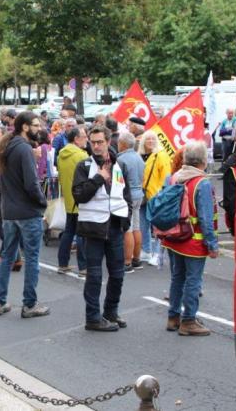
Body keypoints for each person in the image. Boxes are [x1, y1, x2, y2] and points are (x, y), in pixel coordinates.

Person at [72, 126, 130, 332]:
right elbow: (79, 195)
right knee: (94, 276)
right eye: (92, 142)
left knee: (117, 274)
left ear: (108, 142)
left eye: (99, 142)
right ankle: (93, 318)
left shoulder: (118, 164)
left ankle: (111, 312)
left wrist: (126, 220)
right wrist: (98, 178)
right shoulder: (83, 166)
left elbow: (125, 194)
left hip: (114, 225)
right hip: (92, 228)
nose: (95, 146)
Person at [0, 111, 49, 318]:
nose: (39, 129)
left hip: (10, 211)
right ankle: (29, 304)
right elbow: (31, 183)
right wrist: (43, 203)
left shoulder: (7, 146)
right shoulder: (23, 149)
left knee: (8, 256)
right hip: (26, 211)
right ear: (25, 127)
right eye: (35, 125)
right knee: (31, 258)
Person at [163, 142, 218, 336]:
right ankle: (188, 321)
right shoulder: (201, 183)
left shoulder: (174, 177)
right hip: (193, 240)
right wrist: (212, 244)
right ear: (203, 161)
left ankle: (173, 317)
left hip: (174, 236)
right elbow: (205, 218)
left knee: (178, 277)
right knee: (193, 280)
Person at [56, 126, 89, 275]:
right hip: (81, 198)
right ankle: (83, 267)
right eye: (84, 136)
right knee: (81, 234)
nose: (86, 139)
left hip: (69, 199)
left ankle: (62, 263)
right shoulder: (81, 156)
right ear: (76, 139)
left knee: (68, 231)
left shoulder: (61, 154)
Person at [137, 130, 171, 266]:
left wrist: (162, 193)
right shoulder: (139, 155)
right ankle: (146, 250)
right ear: (143, 141)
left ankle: (157, 254)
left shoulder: (161, 155)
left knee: (157, 226)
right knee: (143, 224)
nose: (150, 141)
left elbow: (166, 175)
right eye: (148, 139)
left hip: (156, 195)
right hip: (143, 194)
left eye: (153, 139)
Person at [116, 132, 145, 272]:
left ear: (123, 144)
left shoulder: (121, 160)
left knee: (127, 228)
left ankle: (127, 262)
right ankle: (136, 259)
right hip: (139, 192)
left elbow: (118, 181)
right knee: (136, 226)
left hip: (127, 195)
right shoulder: (138, 157)